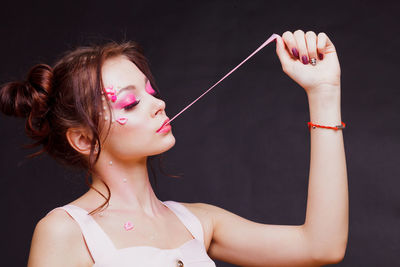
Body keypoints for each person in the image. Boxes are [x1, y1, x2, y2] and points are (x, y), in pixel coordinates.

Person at [0, 30, 348, 266]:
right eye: (130, 103)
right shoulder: (65, 230)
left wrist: (324, 94)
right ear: (84, 139)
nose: (159, 104)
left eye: (151, 92)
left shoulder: (200, 221)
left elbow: (322, 247)